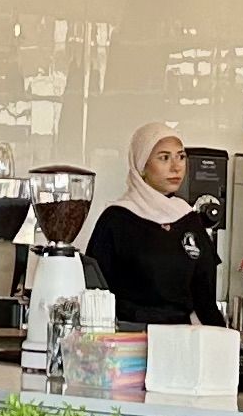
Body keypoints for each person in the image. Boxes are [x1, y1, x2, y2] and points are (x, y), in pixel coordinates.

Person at [85, 120, 224, 326]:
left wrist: (223, 345)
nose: (176, 167)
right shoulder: (117, 219)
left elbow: (205, 298)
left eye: (181, 157)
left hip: (180, 341)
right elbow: (95, 293)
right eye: (164, 158)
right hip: (128, 340)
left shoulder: (188, 219)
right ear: (141, 166)